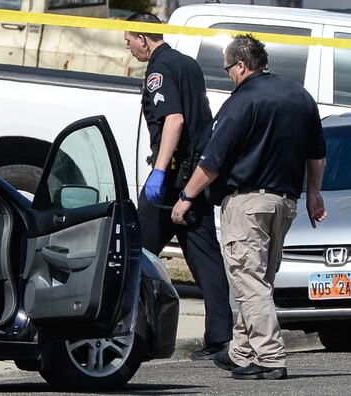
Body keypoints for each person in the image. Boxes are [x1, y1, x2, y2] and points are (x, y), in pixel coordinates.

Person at [172, 34, 328, 380]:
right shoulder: (299, 95)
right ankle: (242, 351)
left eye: (229, 68)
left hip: (247, 203)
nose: (228, 74)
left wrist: (186, 197)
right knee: (259, 279)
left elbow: (213, 161)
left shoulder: (241, 102)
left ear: (242, 65)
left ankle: (270, 358)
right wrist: (315, 195)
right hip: (285, 202)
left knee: (249, 279)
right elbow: (317, 152)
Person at [124, 12, 232, 360]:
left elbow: (174, 119)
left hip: (170, 177)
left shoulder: (159, 69)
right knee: (205, 258)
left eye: (129, 41)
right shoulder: (189, 63)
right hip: (195, 177)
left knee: (134, 252)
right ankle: (220, 335)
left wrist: (159, 171)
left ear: (143, 38)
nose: (129, 49)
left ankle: (126, 329)